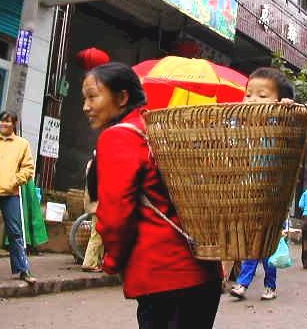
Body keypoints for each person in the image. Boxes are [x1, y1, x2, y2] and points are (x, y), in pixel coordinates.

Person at [84, 62, 221, 328]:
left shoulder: (119, 137)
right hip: (203, 270)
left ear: (122, 97)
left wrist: (112, 261)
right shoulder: (158, 127)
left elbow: (115, 216)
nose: (86, 106)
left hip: (163, 277)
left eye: (92, 96)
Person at [230, 67, 295, 301]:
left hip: (272, 198)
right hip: (249, 195)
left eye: (262, 95)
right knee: (253, 243)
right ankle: (242, 284)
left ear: (278, 100)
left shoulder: (279, 121)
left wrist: (287, 109)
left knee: (269, 247)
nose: (253, 100)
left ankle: (269, 285)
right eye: (248, 94)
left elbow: (294, 125)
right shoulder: (242, 125)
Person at [0, 111, 36, 284]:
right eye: (2, 121)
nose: (4, 124)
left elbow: (28, 168)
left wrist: (14, 181)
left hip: (11, 193)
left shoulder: (22, 144)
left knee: (16, 232)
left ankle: (23, 270)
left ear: (14, 124)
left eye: (8, 122)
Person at [82, 156, 104, 272]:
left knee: (99, 233)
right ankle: (89, 262)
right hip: (99, 205)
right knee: (97, 234)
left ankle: (98, 261)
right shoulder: (101, 166)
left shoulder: (91, 164)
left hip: (92, 203)